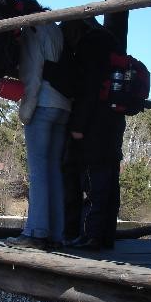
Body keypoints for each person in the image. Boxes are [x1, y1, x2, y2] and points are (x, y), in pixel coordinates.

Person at [43, 17, 126, 251]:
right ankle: (104, 236)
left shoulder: (90, 46)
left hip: (93, 126)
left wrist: (78, 126)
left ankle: (90, 236)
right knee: (107, 182)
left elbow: (86, 87)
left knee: (91, 183)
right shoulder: (110, 44)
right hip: (112, 123)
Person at [6, 0, 72, 250]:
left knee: (38, 172)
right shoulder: (55, 28)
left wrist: (26, 110)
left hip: (42, 103)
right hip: (63, 105)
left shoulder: (33, 29)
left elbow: (33, 74)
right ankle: (55, 233)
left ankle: (35, 232)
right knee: (53, 170)